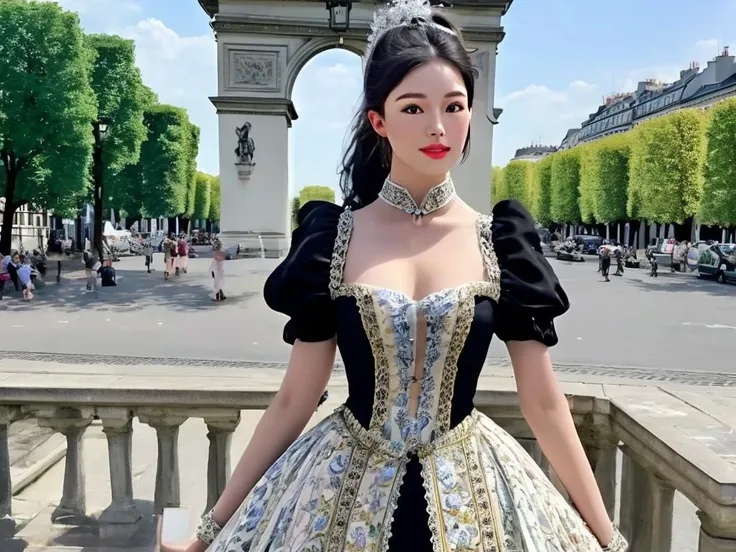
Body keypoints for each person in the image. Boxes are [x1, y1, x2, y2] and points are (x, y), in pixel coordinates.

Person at [164, 2, 627, 551]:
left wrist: (607, 536)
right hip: (339, 491)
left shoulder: (501, 240)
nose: (437, 127)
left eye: (454, 107)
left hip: (471, 493)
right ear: (379, 120)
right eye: (413, 108)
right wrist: (210, 530)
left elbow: (545, 404)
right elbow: (295, 398)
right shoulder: (331, 237)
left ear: (471, 114)